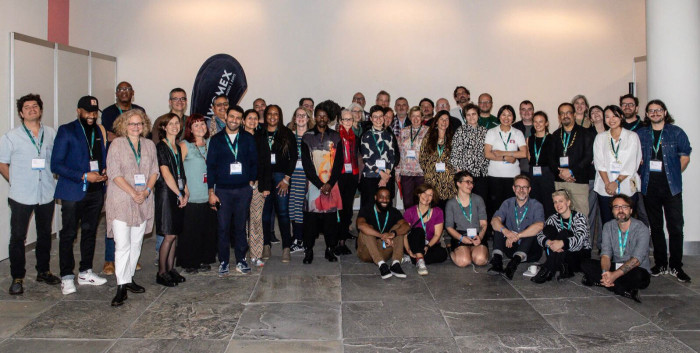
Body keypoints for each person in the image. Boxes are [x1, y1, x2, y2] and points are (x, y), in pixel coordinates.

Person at [0, 94, 60, 295]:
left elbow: (56, 160)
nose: (32, 109)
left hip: (46, 193)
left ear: (40, 110)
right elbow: (2, 162)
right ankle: (17, 277)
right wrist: (14, 181)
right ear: (20, 112)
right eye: (27, 107)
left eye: (35, 106)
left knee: (45, 234)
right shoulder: (11, 136)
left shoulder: (51, 133)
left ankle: (43, 271)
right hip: (21, 194)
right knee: (18, 237)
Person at [53, 96, 109, 295]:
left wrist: (103, 172)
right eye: (87, 111)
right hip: (73, 192)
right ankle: (67, 276)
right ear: (79, 111)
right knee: (68, 234)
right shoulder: (66, 130)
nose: (91, 115)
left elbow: (100, 158)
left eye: (94, 112)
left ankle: (85, 272)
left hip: (95, 193)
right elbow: (56, 165)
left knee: (90, 233)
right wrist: (85, 175)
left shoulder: (99, 131)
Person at [105, 109, 158, 306]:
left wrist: (145, 192)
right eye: (132, 124)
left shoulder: (149, 145)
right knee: (122, 244)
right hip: (121, 199)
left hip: (143, 199)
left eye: (139, 124)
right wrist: (132, 192)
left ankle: (128, 279)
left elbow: (154, 171)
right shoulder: (117, 144)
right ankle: (121, 286)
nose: (136, 127)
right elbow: (114, 173)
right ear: (123, 126)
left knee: (136, 243)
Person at [638, 100, 691, 282]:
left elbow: (685, 157)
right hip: (649, 188)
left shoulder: (676, 132)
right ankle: (660, 264)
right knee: (656, 227)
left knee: (676, 227)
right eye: (651, 111)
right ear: (647, 114)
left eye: (658, 110)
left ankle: (676, 266)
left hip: (671, 188)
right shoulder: (642, 134)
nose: (655, 113)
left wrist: (674, 174)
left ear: (665, 112)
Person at [207, 105, 258, 276]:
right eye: (232, 116)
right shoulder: (216, 139)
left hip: (243, 189)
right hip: (222, 191)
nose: (234, 120)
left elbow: (254, 162)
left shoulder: (248, 138)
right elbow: (211, 167)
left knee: (240, 226)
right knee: (222, 227)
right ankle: (223, 261)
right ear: (226, 117)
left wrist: (251, 182)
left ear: (241, 120)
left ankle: (241, 260)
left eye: (238, 117)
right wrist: (211, 191)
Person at [580, 195, 651, 302]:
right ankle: (621, 289)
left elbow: (636, 260)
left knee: (641, 277)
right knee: (585, 263)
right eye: (616, 207)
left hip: (635, 269)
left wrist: (614, 275)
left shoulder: (642, 229)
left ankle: (604, 283)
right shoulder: (608, 226)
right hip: (615, 266)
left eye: (624, 207)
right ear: (612, 211)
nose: (620, 210)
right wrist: (605, 273)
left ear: (631, 210)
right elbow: (605, 255)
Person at [300, 100, 344, 263]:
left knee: (330, 222)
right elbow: (307, 165)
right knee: (310, 222)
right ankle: (309, 251)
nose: (322, 118)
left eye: (325, 116)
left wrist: (330, 184)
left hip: (331, 186)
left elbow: (339, 163)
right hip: (313, 186)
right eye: (319, 115)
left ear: (329, 118)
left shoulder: (336, 137)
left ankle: (329, 250)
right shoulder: (307, 137)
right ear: (315, 117)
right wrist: (320, 185)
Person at [177, 114, 218, 273]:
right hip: (191, 195)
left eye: (202, 124)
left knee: (206, 230)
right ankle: (189, 262)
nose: (200, 127)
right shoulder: (184, 145)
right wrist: (184, 190)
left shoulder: (211, 143)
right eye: (196, 125)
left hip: (208, 195)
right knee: (190, 231)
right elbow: (178, 171)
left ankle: (203, 259)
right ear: (190, 129)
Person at [154, 113, 189, 286]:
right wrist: (179, 193)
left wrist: (186, 191)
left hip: (177, 192)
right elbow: (166, 174)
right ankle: (161, 272)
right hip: (166, 194)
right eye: (171, 124)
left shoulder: (177, 146)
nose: (175, 126)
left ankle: (170, 268)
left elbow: (181, 172)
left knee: (174, 234)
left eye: (177, 123)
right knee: (168, 235)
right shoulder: (161, 146)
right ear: (164, 127)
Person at [593, 105, 642, 228]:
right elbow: (599, 163)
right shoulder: (600, 138)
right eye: (607, 116)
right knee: (608, 222)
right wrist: (608, 184)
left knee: (627, 222)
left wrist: (616, 182)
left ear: (621, 116)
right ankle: (609, 247)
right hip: (605, 187)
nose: (611, 119)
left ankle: (628, 247)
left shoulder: (632, 136)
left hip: (626, 185)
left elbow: (631, 163)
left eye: (614, 115)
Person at [488, 175, 545, 279]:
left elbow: (539, 226)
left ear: (529, 189)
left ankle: (513, 265)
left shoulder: (536, 205)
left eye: (525, 187)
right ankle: (497, 262)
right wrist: (506, 232)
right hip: (511, 247)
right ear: (514, 188)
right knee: (499, 225)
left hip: (531, 251)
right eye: (518, 187)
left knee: (531, 228)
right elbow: (494, 221)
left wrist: (518, 235)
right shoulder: (507, 203)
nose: (521, 190)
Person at [262, 105, 297, 261]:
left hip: (281, 178)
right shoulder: (259, 132)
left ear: (280, 116)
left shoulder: (286, 133)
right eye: (269, 114)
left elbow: (293, 157)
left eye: (276, 114)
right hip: (264, 178)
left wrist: (286, 179)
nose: (272, 116)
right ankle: (266, 245)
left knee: (283, 213)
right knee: (265, 214)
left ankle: (286, 248)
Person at [533, 189, 591, 283]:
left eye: (560, 201)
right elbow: (540, 234)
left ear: (568, 202)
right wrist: (549, 243)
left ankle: (549, 268)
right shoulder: (553, 218)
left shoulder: (579, 217)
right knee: (548, 229)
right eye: (555, 202)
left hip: (577, 255)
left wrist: (562, 243)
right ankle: (562, 267)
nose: (558, 205)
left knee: (565, 233)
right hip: (559, 254)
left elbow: (580, 240)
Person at [484, 105, 527, 223]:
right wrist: (507, 158)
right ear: (499, 116)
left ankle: (511, 229)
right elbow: (487, 154)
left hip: (513, 176)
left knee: (511, 205)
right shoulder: (492, 132)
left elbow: (523, 153)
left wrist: (502, 153)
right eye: (503, 114)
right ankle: (496, 231)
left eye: (509, 115)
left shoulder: (517, 133)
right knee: (495, 205)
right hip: (495, 175)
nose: (506, 118)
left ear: (513, 117)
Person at [550, 102, 594, 214]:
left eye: (568, 112)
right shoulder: (555, 135)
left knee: (581, 215)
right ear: (559, 117)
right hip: (560, 181)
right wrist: (560, 173)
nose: (565, 116)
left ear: (574, 114)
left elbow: (588, 157)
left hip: (578, 181)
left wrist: (571, 171)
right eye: (562, 113)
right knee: (562, 215)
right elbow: (551, 159)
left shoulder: (585, 133)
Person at [356, 187, 410, 279]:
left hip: (385, 250)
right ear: (375, 197)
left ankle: (396, 264)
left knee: (398, 228)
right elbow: (360, 225)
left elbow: (406, 226)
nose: (384, 200)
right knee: (367, 229)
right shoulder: (366, 210)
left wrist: (393, 234)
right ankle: (382, 265)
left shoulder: (394, 211)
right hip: (367, 252)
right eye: (381, 197)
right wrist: (382, 236)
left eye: (387, 197)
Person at [242, 109, 272, 266]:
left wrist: (266, 186)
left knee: (256, 219)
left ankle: (256, 254)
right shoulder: (237, 137)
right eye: (249, 118)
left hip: (259, 186)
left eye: (255, 118)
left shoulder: (261, 138)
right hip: (240, 185)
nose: (252, 121)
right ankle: (241, 254)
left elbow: (267, 163)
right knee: (240, 220)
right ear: (243, 120)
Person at [444, 172, 489, 268]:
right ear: (458, 183)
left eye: (472, 182)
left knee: (480, 259)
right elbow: (449, 227)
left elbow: (484, 224)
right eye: (467, 182)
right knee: (463, 262)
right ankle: (453, 251)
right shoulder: (451, 203)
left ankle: (472, 251)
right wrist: (461, 238)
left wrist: (480, 237)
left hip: (477, 234)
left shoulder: (478, 199)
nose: (471, 185)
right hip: (461, 235)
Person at [403, 184, 448, 275]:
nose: (426, 197)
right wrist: (408, 250)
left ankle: (413, 258)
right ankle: (420, 261)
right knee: (418, 231)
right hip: (413, 244)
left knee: (443, 254)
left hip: (428, 245)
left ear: (433, 198)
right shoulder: (409, 211)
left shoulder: (438, 212)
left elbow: (437, 235)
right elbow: (404, 234)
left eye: (430, 195)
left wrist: (427, 246)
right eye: (424, 193)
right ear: (419, 194)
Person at [359, 105, 397, 208]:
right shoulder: (366, 135)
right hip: (370, 176)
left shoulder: (388, 135)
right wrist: (381, 173)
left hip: (386, 176)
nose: (378, 119)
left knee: (384, 206)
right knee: (369, 206)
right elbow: (366, 159)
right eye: (375, 117)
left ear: (384, 118)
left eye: (381, 116)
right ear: (371, 119)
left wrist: (385, 176)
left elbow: (392, 157)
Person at [450, 103, 489, 198]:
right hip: (466, 173)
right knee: (466, 199)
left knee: (481, 199)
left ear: (478, 115)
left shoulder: (485, 131)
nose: (471, 117)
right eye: (468, 115)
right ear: (465, 117)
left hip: (481, 173)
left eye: (474, 114)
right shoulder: (460, 131)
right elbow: (455, 152)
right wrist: (459, 173)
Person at [419, 110, 456, 208]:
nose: (444, 122)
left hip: (448, 179)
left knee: (447, 208)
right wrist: (429, 171)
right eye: (441, 119)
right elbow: (422, 157)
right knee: (433, 206)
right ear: (436, 121)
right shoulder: (428, 137)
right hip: (432, 178)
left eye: (447, 119)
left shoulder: (453, 137)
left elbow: (456, 157)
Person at [288, 108, 313, 254]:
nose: (301, 118)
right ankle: (296, 238)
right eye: (298, 115)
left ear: (308, 118)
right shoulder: (289, 136)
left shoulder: (312, 137)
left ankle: (301, 239)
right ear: (294, 118)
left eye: (304, 116)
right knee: (293, 207)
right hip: (291, 177)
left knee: (303, 208)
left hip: (306, 177)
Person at [337, 109, 360, 255]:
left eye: (350, 119)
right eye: (345, 119)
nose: (347, 122)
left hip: (352, 174)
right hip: (339, 175)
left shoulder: (355, 137)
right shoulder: (335, 137)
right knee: (339, 208)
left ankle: (344, 235)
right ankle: (339, 241)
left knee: (348, 207)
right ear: (340, 121)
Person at [396, 106, 428, 209]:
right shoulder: (403, 131)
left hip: (422, 171)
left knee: (422, 200)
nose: (416, 119)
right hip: (406, 172)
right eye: (413, 116)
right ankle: (409, 223)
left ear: (422, 117)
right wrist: (397, 171)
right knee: (408, 201)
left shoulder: (428, 131)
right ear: (409, 117)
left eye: (418, 116)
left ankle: (422, 224)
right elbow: (399, 152)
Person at [527, 111, 555, 216]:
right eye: (535, 122)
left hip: (547, 173)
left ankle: (549, 227)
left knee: (548, 202)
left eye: (541, 121)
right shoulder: (530, 139)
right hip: (533, 172)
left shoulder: (552, 138)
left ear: (546, 123)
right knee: (534, 201)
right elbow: (529, 157)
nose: (538, 124)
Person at [513, 100, 535, 174]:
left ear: (533, 111)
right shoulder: (514, 127)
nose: (526, 112)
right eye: (523, 110)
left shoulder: (539, 127)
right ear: (519, 112)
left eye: (529, 109)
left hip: (535, 168)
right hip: (517, 170)